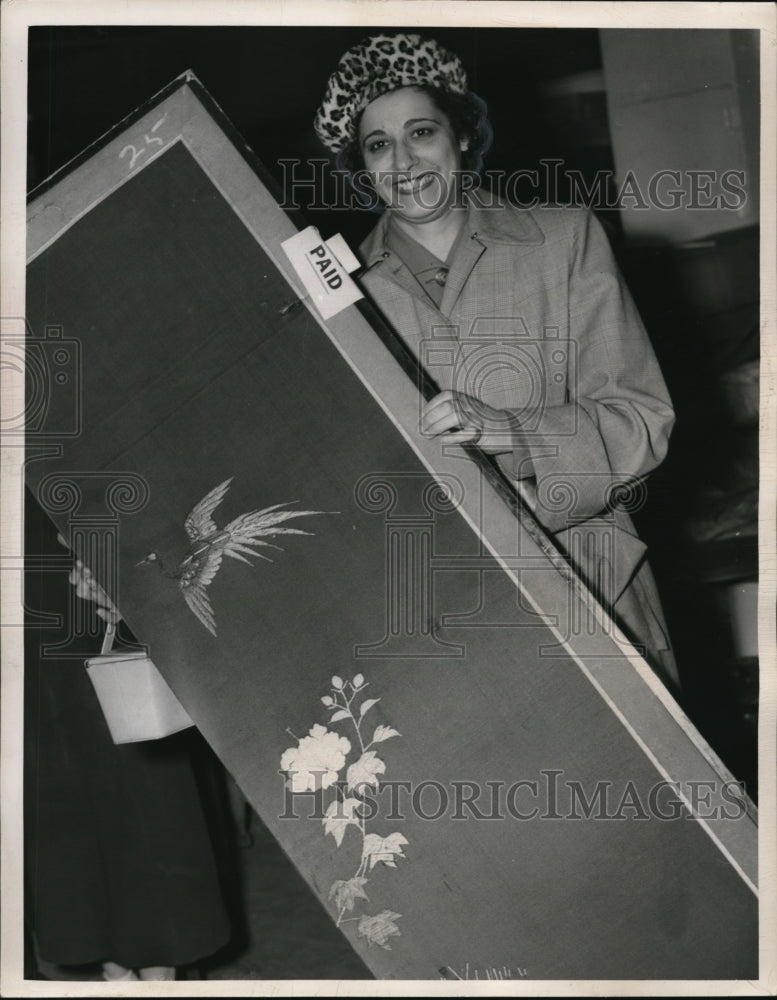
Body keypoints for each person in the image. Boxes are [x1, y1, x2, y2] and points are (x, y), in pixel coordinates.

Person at [314, 33, 679, 687]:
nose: (402, 160)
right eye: (377, 144)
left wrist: (512, 432)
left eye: (420, 131)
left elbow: (641, 420)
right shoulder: (337, 296)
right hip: (441, 632)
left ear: (459, 135)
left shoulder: (561, 240)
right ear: (360, 165)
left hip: (593, 598)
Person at [24, 491, 233, 981]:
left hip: (75, 594)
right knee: (49, 818)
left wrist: (116, 564)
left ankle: (161, 977)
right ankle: (116, 977)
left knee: (139, 805)